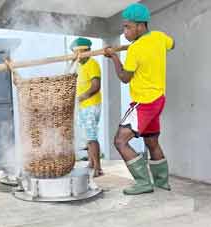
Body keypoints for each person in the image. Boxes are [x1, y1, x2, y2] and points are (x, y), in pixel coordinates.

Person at [104, 3, 174, 195]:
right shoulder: (159, 38)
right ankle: (162, 182)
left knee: (120, 141)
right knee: (152, 142)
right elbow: (172, 43)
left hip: (143, 102)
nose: (125, 32)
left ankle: (143, 182)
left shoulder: (135, 49)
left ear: (140, 26)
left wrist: (114, 58)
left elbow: (125, 78)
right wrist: (156, 46)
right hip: (158, 99)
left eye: (128, 27)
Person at [71, 37, 103, 177]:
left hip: (90, 105)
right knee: (87, 137)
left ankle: (98, 168)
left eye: (79, 52)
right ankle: (91, 163)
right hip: (83, 106)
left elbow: (96, 87)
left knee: (91, 137)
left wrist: (80, 98)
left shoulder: (92, 63)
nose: (77, 56)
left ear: (86, 51)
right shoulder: (81, 65)